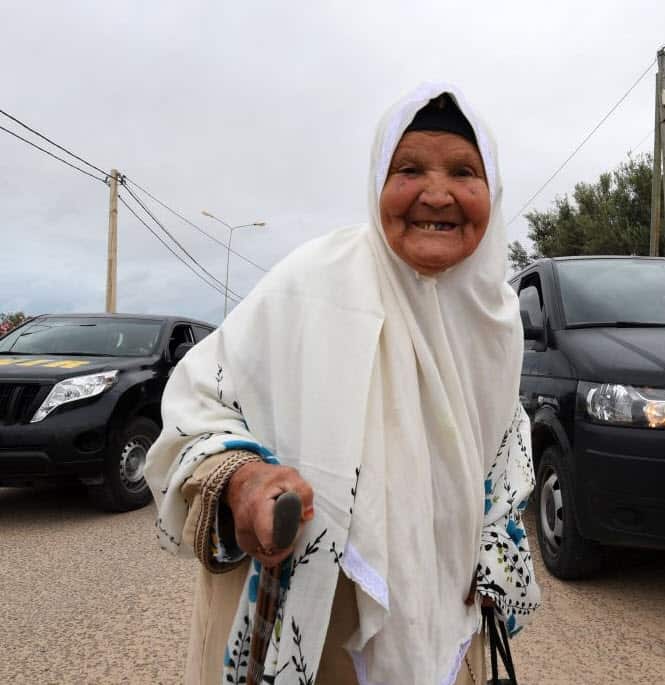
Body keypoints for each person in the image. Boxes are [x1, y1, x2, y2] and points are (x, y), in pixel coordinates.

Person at [145, 84, 540, 685]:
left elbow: (503, 456)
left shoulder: (496, 318)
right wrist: (246, 482)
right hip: (319, 618)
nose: (437, 193)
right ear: (377, 182)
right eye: (408, 169)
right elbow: (197, 403)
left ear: (493, 192)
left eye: (464, 171)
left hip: (447, 621)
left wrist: (494, 551)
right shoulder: (308, 283)